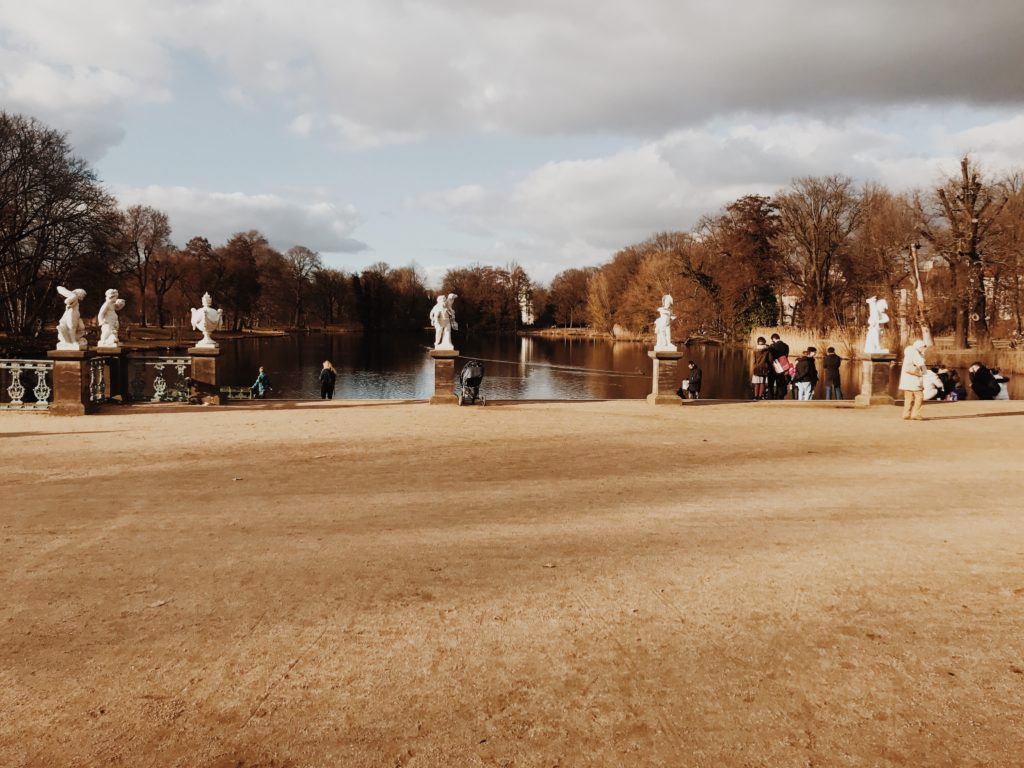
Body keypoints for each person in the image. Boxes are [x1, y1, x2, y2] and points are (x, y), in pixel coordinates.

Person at [899, 339, 927, 420]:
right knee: (919, 396)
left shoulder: (908, 352)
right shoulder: (915, 353)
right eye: (923, 347)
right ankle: (916, 414)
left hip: (906, 380)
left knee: (908, 398)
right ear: (920, 347)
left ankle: (906, 414)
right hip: (914, 381)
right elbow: (921, 363)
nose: (924, 349)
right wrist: (925, 372)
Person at [767, 333, 790, 400]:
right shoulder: (786, 346)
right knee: (780, 384)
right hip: (782, 367)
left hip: (773, 367)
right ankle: (779, 398)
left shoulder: (772, 346)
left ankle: (770, 397)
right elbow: (786, 357)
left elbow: (770, 358)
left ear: (773, 339)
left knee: (770, 384)